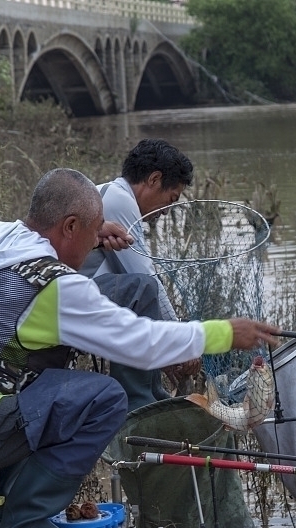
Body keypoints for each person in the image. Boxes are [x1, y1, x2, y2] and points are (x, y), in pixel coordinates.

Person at [0, 168, 280, 528]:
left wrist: (92, 236)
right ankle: (23, 523)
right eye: (91, 231)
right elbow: (140, 343)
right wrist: (223, 333)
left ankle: (0, 504)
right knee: (104, 398)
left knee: (43, 382)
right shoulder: (56, 289)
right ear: (69, 225)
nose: (95, 241)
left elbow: (39, 273)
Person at [79, 139, 196, 412]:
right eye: (171, 198)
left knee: (140, 293)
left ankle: (152, 392)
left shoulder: (109, 195)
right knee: (141, 289)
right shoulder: (118, 201)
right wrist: (181, 341)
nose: (167, 210)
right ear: (154, 179)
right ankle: (137, 401)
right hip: (72, 299)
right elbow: (145, 276)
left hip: (84, 294)